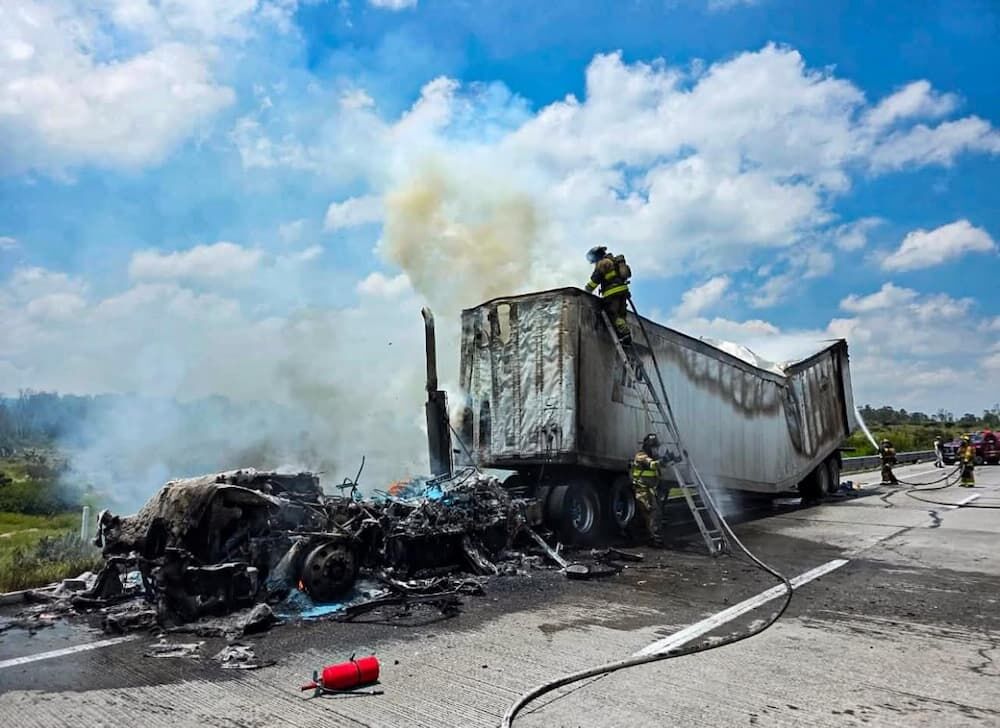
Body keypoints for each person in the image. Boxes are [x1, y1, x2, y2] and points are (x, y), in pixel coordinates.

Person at [585, 245, 632, 346]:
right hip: (623, 292)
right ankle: (624, 337)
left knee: (613, 315)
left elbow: (595, 280)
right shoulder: (614, 261)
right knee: (621, 315)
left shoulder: (603, 263)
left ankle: (625, 334)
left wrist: (587, 290)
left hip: (612, 293)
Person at [630, 433, 666, 547]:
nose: (656, 449)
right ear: (647, 446)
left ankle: (652, 537)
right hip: (641, 489)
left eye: (656, 447)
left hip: (650, 489)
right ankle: (650, 539)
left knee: (654, 513)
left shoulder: (652, 457)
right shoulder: (641, 456)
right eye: (653, 447)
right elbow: (653, 465)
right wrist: (663, 461)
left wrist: (675, 459)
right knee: (649, 513)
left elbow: (658, 465)